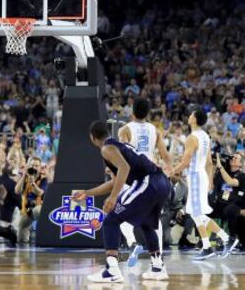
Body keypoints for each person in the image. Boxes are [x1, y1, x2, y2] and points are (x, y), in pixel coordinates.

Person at [74, 121, 171, 283]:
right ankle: (157, 267)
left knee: (111, 219)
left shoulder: (107, 148)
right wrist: (87, 193)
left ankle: (112, 270)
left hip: (149, 181)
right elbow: (116, 181)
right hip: (162, 183)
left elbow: (124, 169)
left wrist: (113, 197)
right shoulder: (117, 145)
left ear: (92, 138)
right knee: (147, 224)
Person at [168, 109, 233, 260]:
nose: (189, 116)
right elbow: (209, 162)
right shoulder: (205, 136)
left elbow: (185, 162)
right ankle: (219, 241)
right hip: (201, 176)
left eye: (191, 114)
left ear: (194, 119)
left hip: (196, 176)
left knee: (196, 213)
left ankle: (215, 243)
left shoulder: (192, 137)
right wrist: (209, 179)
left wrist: (171, 171)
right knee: (197, 213)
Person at [117, 97, 171, 266]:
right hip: (152, 178)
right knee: (154, 219)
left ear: (132, 112)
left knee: (117, 214)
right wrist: (167, 170)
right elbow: (167, 157)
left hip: (133, 178)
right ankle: (158, 257)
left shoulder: (125, 129)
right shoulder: (155, 130)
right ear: (148, 113)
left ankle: (133, 243)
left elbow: (122, 157)